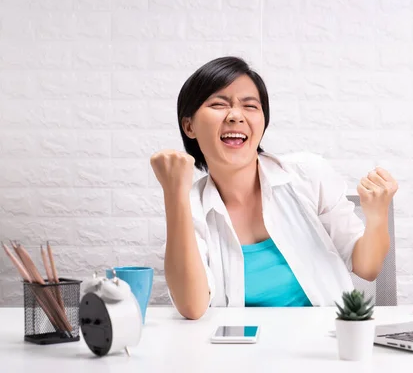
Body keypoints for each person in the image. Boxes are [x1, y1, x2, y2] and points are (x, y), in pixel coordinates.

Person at [150, 56, 398, 320]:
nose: (236, 116)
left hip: (324, 343)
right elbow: (192, 306)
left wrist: (377, 215)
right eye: (218, 104)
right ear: (189, 126)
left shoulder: (308, 174)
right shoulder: (191, 205)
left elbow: (368, 268)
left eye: (250, 106)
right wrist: (175, 194)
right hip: (238, 350)